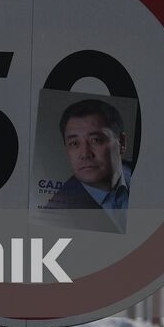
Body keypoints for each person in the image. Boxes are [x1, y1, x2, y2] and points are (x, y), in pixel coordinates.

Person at [41, 98, 130, 233]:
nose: (85, 154)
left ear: (122, 143)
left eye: (96, 140)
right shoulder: (54, 216)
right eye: (74, 144)